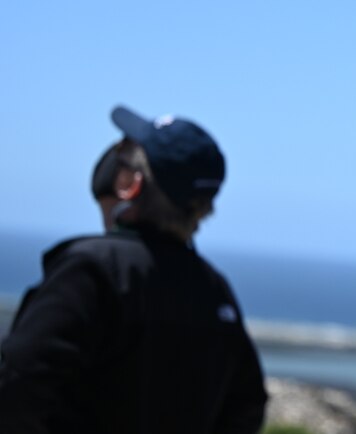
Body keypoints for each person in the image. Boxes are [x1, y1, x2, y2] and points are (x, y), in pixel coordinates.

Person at [0, 106, 268, 434]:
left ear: (130, 184)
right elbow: (246, 405)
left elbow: (19, 382)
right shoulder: (214, 290)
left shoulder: (91, 270)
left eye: (122, 157)